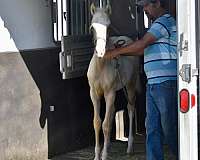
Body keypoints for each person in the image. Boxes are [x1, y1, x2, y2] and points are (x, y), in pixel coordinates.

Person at [104, 0, 178, 159]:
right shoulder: (156, 26)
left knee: (169, 128)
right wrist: (121, 52)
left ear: (157, 3)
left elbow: (142, 45)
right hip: (154, 83)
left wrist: (113, 53)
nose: (144, 10)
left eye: (146, 6)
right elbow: (143, 51)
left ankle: (183, 154)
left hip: (165, 83)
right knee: (152, 128)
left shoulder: (164, 21)